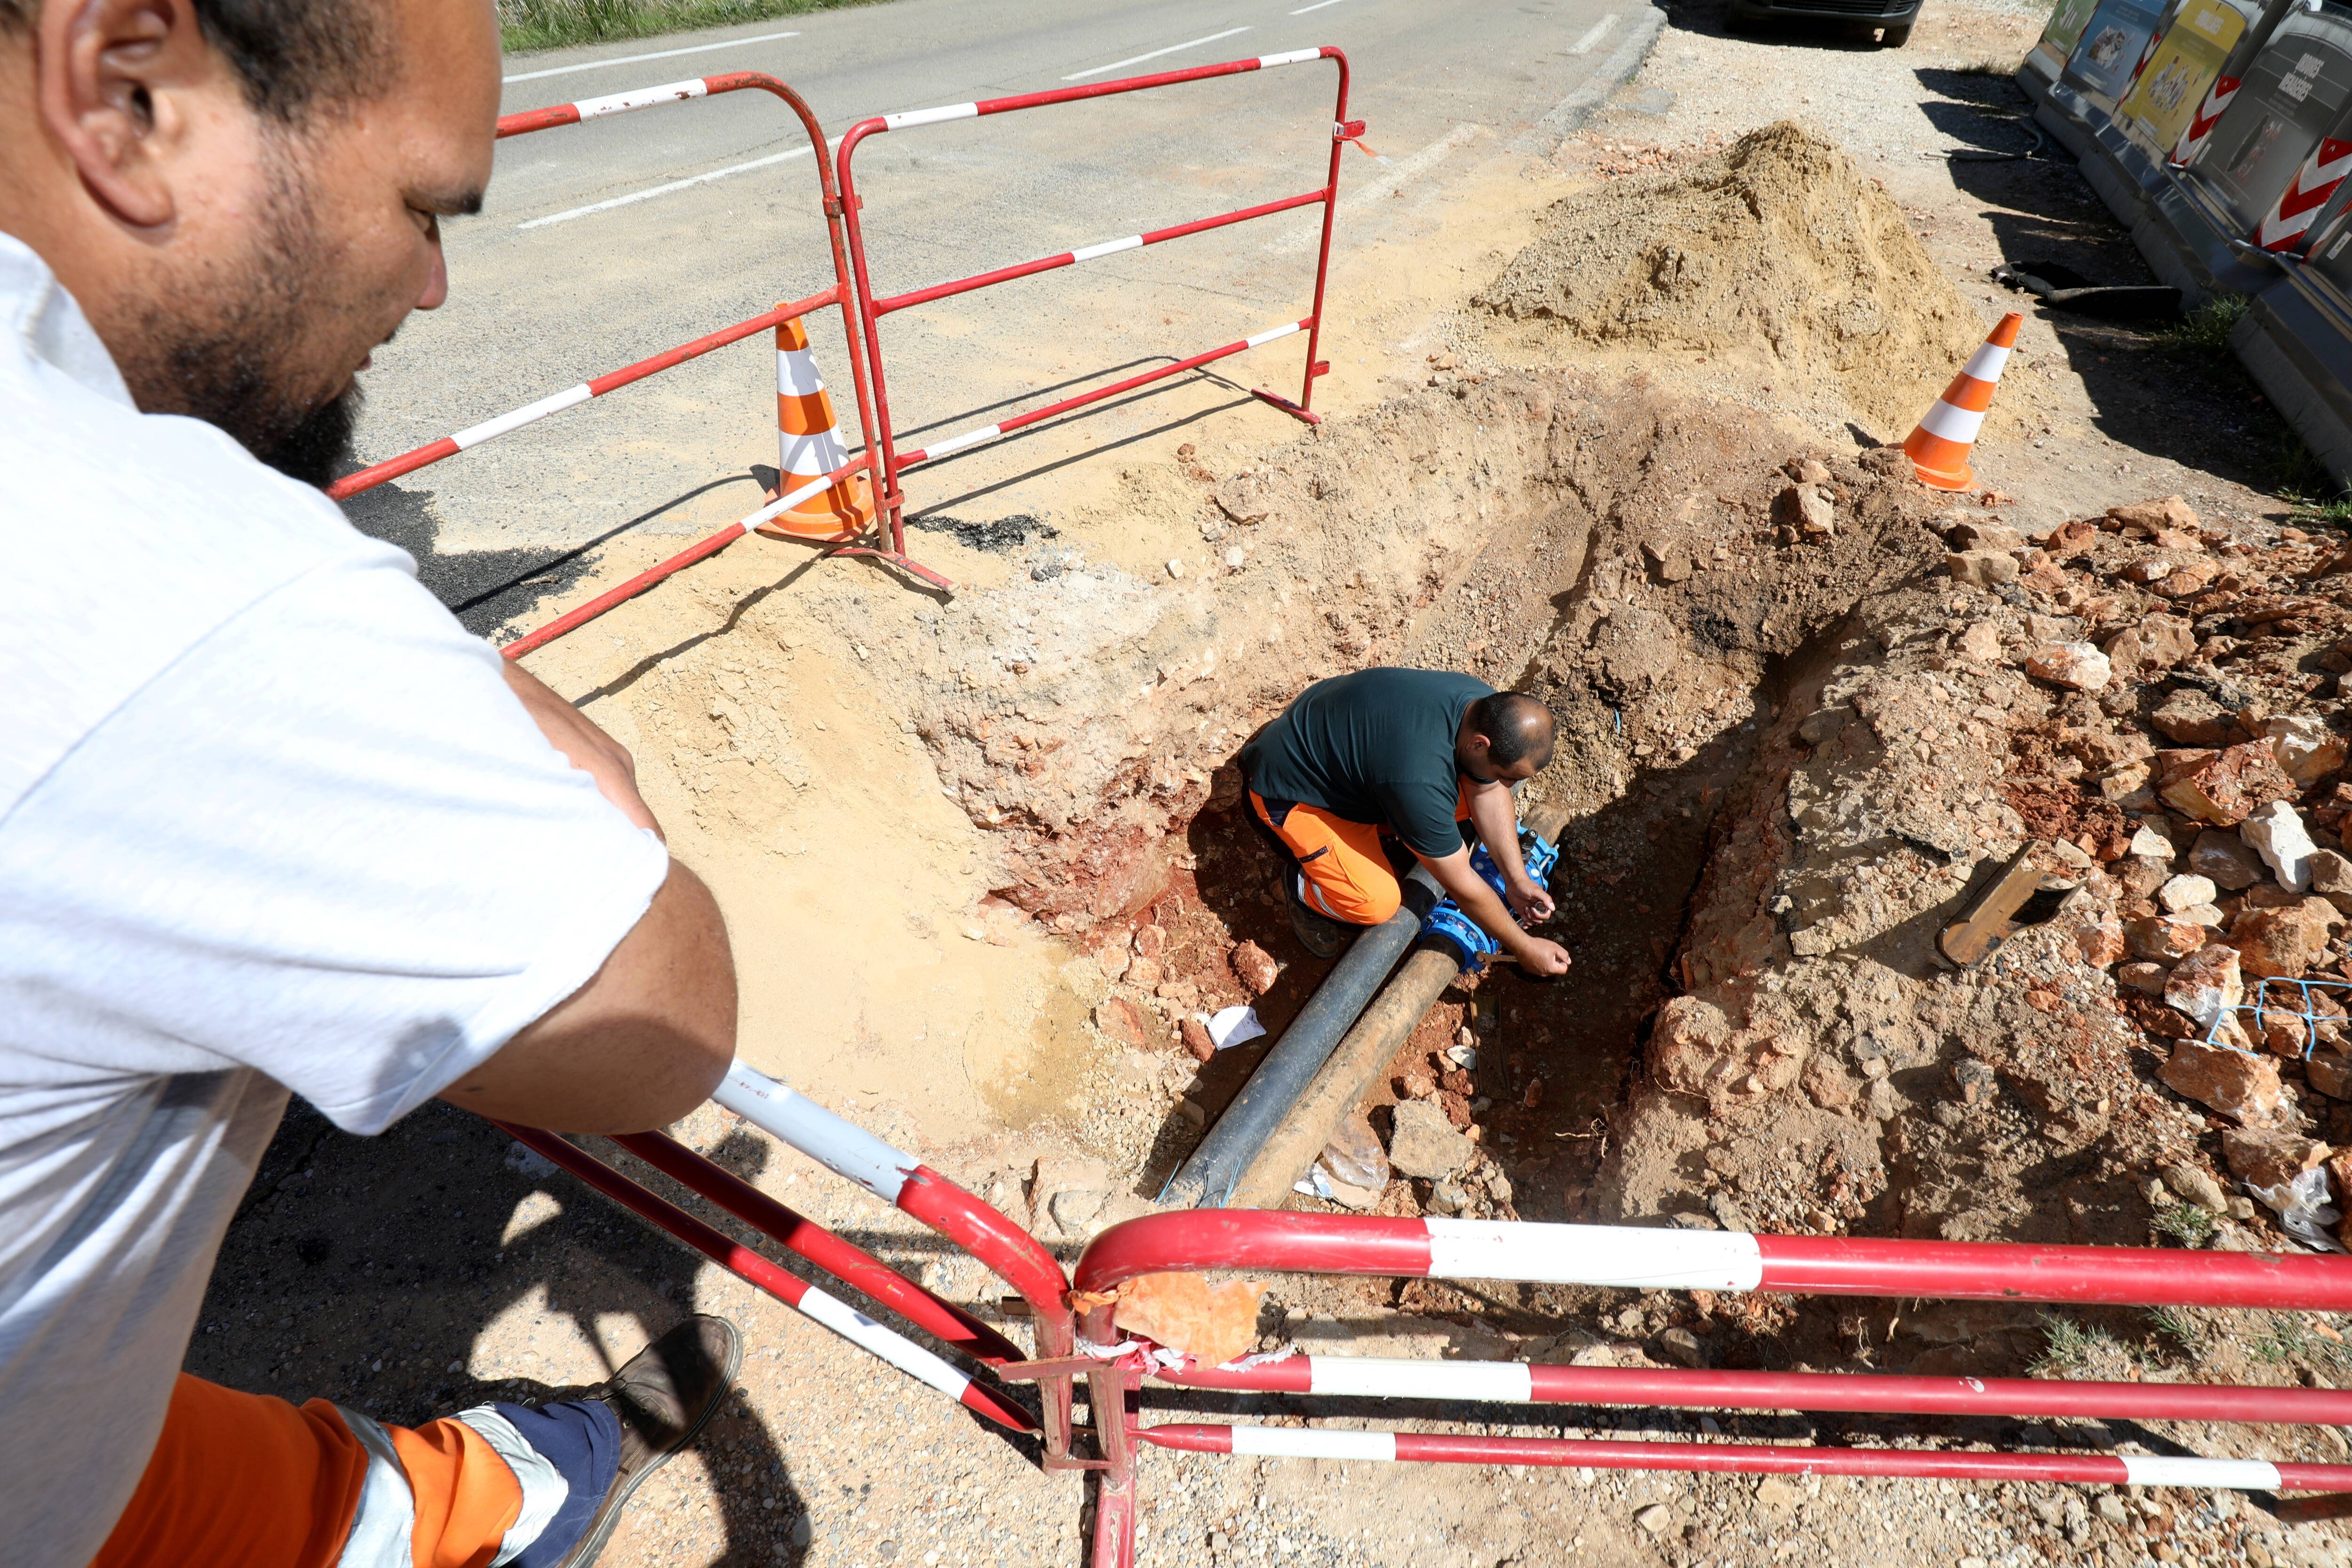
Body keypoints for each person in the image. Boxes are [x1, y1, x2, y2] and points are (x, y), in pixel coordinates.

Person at [0, 3, 746, 1566]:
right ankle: (514, 1492)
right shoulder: (176, 601)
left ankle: (485, 1490)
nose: (430, 284)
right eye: (420, 207)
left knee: (214, 1465)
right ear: (120, 89)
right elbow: (661, 1025)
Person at [1239, 668, 1573, 973]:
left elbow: (1486, 790)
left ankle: (1387, 832)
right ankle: (1304, 886)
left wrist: (1516, 880)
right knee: (1376, 902)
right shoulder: (1420, 781)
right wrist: (1524, 946)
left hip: (1336, 740)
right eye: (1508, 776)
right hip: (1294, 791)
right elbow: (1464, 885)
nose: (1509, 786)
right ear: (1479, 744)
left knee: (1462, 797)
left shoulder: (1482, 707)